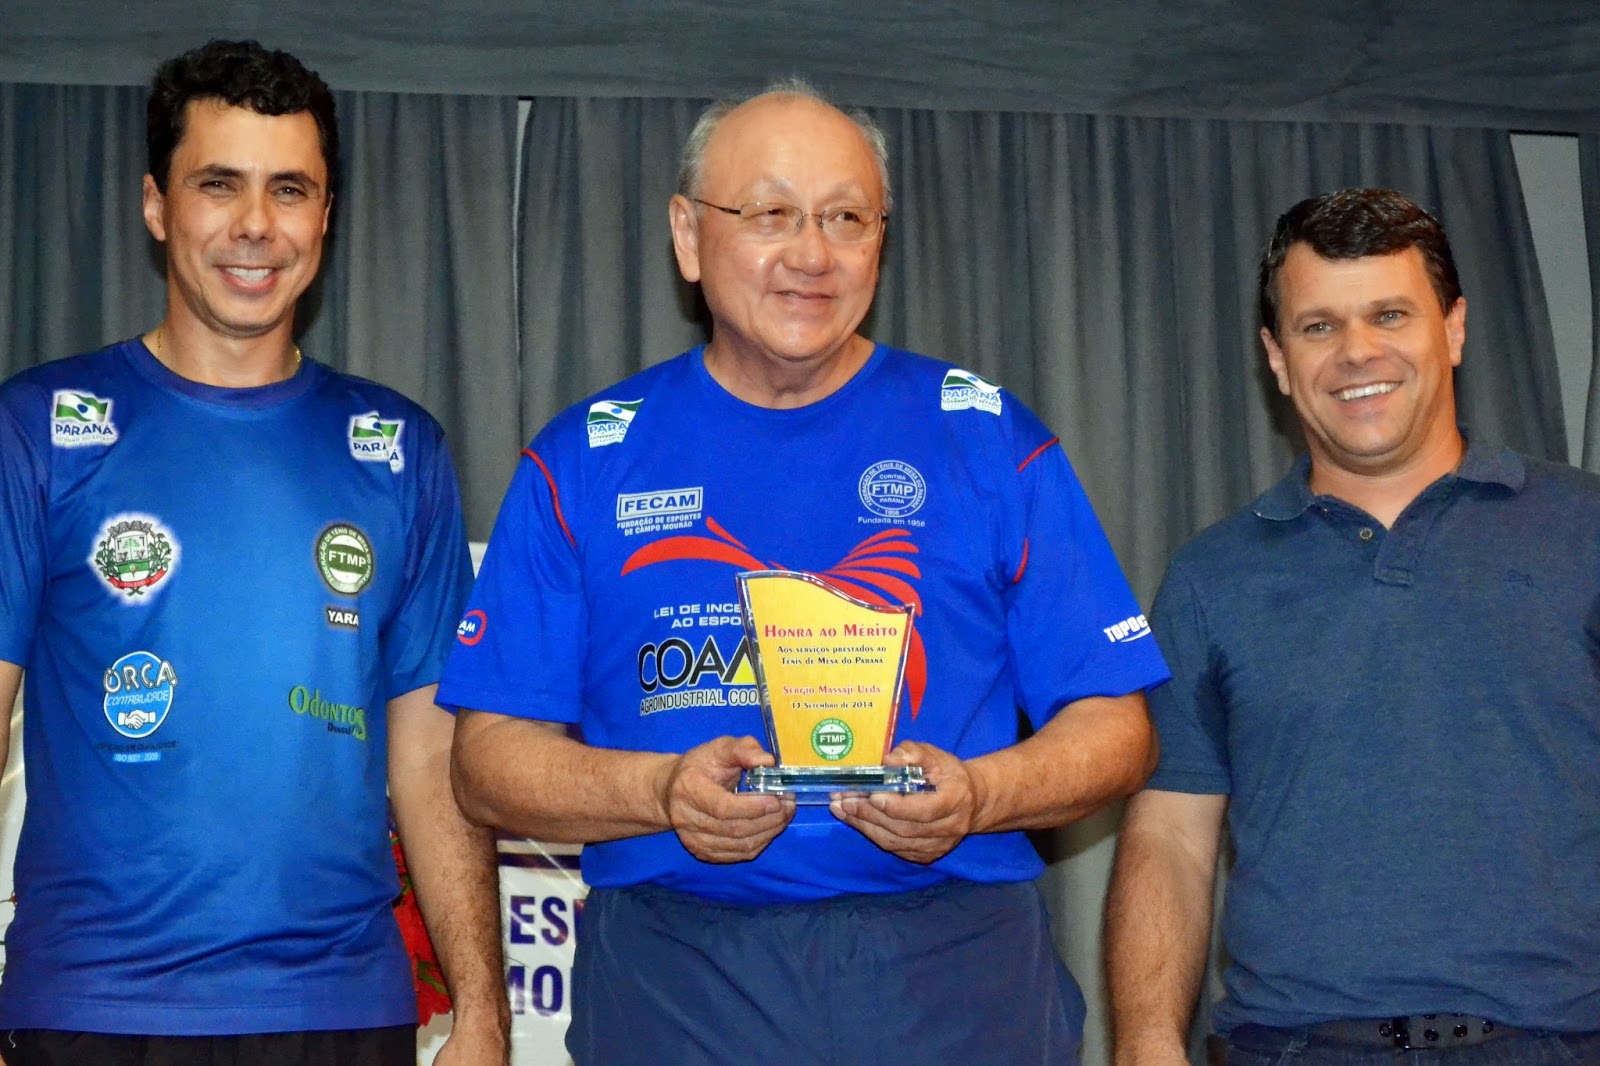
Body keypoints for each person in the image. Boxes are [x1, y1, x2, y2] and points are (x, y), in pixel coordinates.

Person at [439, 79, 1169, 1063]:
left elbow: (1118, 727)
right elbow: (487, 760)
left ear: (881, 243)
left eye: (845, 218)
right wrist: (661, 791)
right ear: (689, 235)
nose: (812, 254)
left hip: (953, 969)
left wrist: (981, 793)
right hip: (676, 977)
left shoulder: (988, 439)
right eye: (770, 214)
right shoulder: (584, 459)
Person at [0, 39, 508, 1065]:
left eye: (289, 190)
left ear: (325, 216)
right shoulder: (39, 428)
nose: (255, 225)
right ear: (156, 206)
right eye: (218, 184)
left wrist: (484, 1010)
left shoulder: (399, 449)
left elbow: (429, 757)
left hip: (341, 1007)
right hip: (95, 1008)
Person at [1105, 187, 1600, 1065]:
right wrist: (1147, 1045)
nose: (1357, 351)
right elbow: (1171, 836)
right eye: (1319, 326)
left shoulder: (1585, 530)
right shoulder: (1210, 579)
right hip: (1296, 1046)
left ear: (1453, 329)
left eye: (1390, 314)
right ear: (1277, 357)